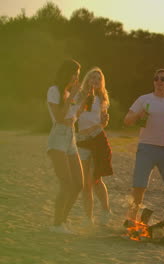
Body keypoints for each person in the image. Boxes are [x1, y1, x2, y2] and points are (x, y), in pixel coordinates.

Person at [123, 69, 164, 230]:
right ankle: (131, 220)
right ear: (153, 82)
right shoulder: (143, 99)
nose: (159, 82)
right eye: (156, 79)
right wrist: (140, 114)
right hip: (146, 148)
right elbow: (127, 121)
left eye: (163, 79)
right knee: (139, 186)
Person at [46, 59, 86, 234]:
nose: (76, 78)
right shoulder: (54, 91)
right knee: (66, 183)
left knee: (78, 184)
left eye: (78, 75)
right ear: (66, 73)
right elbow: (60, 118)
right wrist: (71, 97)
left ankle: (63, 220)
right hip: (58, 138)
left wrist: (82, 101)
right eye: (74, 74)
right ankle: (56, 224)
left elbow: (73, 117)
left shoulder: (71, 92)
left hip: (71, 138)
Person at [75, 67, 113, 226]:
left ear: (101, 82)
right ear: (87, 80)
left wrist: (104, 122)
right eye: (92, 78)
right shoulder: (78, 96)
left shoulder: (102, 99)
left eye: (98, 79)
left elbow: (102, 123)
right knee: (85, 183)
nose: (95, 81)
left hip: (97, 140)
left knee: (96, 179)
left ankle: (105, 211)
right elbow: (74, 116)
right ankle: (88, 217)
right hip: (82, 140)